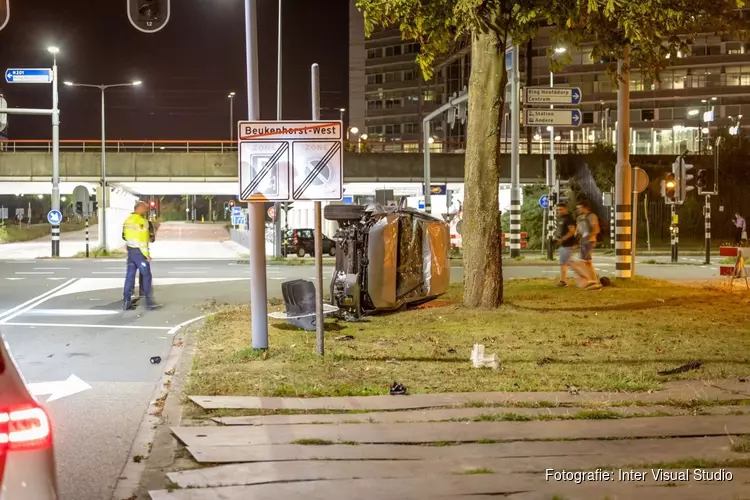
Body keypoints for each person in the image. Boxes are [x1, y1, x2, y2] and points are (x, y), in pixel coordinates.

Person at [122, 201, 157, 310]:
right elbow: (143, 241)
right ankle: (149, 301)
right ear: (140, 209)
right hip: (139, 252)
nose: (146, 211)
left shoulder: (127, 220)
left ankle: (127, 301)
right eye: (145, 209)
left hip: (131, 250)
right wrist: (146, 255)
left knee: (130, 275)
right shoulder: (142, 222)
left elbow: (124, 236)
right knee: (146, 275)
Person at [571, 200, 601, 290]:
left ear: (585, 207)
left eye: (579, 208)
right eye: (577, 209)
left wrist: (589, 236)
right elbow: (578, 230)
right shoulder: (579, 218)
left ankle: (588, 281)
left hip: (589, 241)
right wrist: (576, 238)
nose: (578, 210)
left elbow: (596, 229)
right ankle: (594, 281)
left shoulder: (592, 216)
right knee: (587, 263)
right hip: (582, 242)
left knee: (583, 262)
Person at [554, 203, 577, 287]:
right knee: (568, 263)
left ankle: (563, 281)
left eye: (560, 209)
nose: (559, 211)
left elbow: (572, 231)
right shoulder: (562, 219)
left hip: (568, 244)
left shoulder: (569, 218)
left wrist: (563, 239)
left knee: (563, 263)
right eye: (557, 210)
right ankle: (587, 278)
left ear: (565, 209)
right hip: (564, 244)